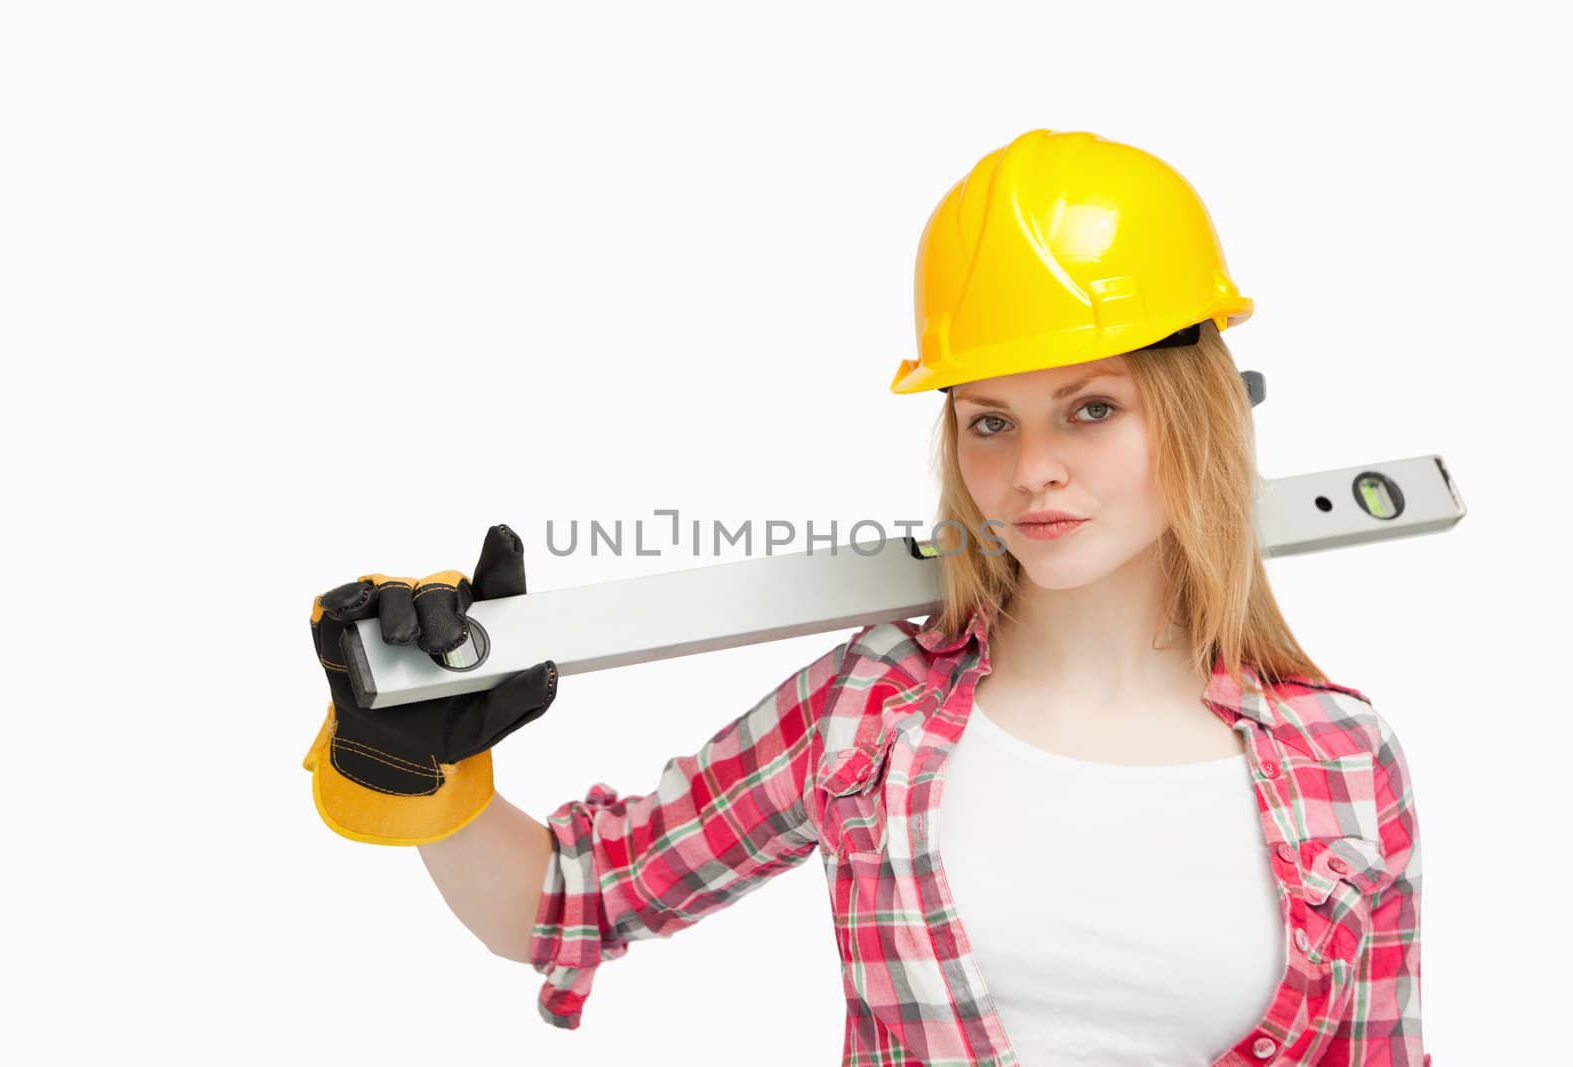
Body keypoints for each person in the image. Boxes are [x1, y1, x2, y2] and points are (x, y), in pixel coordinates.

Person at [302, 129, 1426, 1066]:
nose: (1031, 464)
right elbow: (567, 902)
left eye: (1089, 408)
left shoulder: (1339, 756)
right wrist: (427, 774)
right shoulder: (869, 710)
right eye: (990, 418)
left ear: (1199, 415)